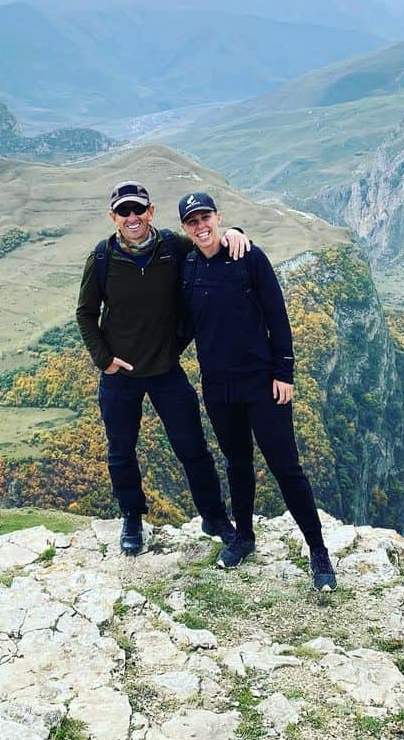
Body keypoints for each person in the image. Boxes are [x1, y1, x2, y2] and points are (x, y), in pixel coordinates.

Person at [76, 180, 249, 556]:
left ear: (151, 211)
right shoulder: (103, 258)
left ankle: (214, 517)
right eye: (124, 211)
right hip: (119, 375)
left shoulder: (173, 247)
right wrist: (103, 360)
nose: (132, 217)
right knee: (121, 451)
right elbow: (86, 314)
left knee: (193, 448)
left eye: (138, 209)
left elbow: (208, 242)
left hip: (166, 369)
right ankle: (132, 518)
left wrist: (234, 231)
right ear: (114, 217)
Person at [177, 191, 338, 591]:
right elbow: (183, 326)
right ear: (185, 228)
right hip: (218, 388)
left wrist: (285, 372)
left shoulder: (250, 257)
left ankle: (318, 552)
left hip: (263, 384)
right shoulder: (189, 268)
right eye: (192, 222)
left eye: (206, 218)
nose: (201, 227)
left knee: (286, 468)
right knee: (237, 464)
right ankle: (244, 537)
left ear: (218, 218)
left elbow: (277, 314)